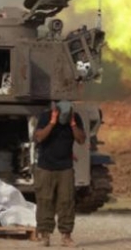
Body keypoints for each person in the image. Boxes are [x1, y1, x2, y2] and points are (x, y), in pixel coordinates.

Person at [33, 100, 85, 247]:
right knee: (44, 201)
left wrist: (73, 125)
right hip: (45, 167)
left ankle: (66, 236)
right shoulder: (45, 117)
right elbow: (39, 137)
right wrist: (52, 123)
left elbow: (81, 139)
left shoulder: (75, 118)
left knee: (66, 201)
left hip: (65, 167)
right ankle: (45, 235)